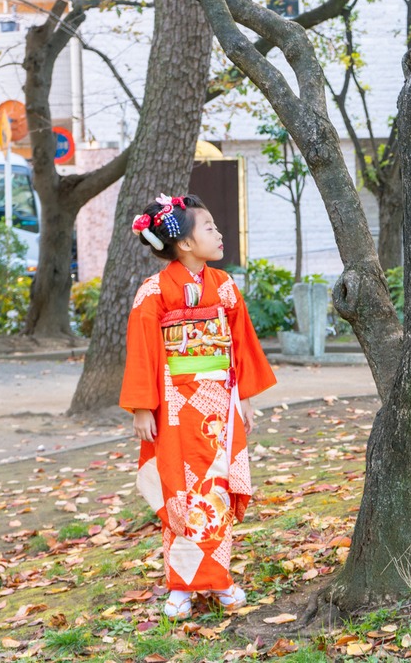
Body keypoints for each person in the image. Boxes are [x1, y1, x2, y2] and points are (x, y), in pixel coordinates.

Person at [121, 193, 276, 618]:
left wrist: (242, 396)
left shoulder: (224, 286)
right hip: (173, 403)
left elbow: (240, 342)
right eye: (209, 227)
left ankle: (219, 579)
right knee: (179, 492)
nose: (219, 232)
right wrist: (141, 407)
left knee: (217, 489)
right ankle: (181, 586)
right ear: (185, 244)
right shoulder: (153, 291)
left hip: (219, 399)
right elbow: (143, 351)